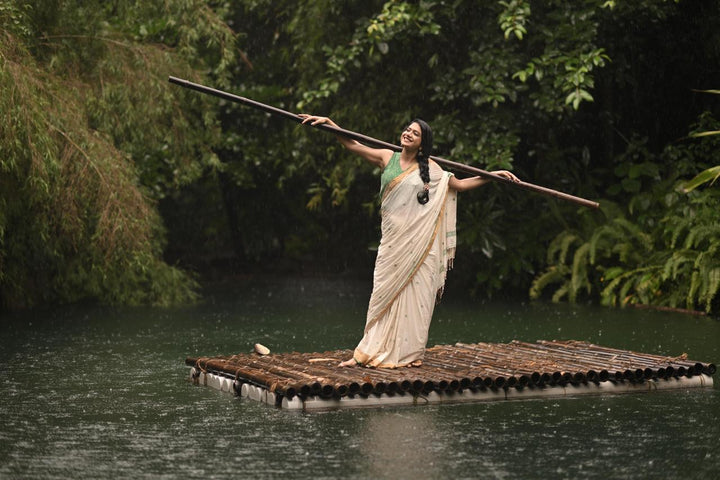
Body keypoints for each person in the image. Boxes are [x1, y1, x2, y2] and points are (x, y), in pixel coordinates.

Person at [300, 114, 519, 368]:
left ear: (422, 144)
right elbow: (352, 144)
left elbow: (457, 184)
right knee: (381, 295)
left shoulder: (432, 169)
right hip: (393, 243)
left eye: (415, 134)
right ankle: (368, 351)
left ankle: (410, 354)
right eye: (407, 130)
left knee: (417, 298)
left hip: (419, 244)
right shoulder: (386, 157)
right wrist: (329, 123)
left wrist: (491, 176)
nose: (408, 134)